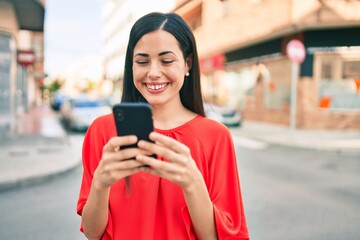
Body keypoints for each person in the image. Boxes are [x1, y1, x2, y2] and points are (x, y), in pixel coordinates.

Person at [77, 12, 249, 240]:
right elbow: (92, 233)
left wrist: (192, 183)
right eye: (142, 61)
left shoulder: (216, 136)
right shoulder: (103, 131)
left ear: (187, 64)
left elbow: (218, 237)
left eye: (166, 61)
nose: (154, 73)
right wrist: (100, 184)